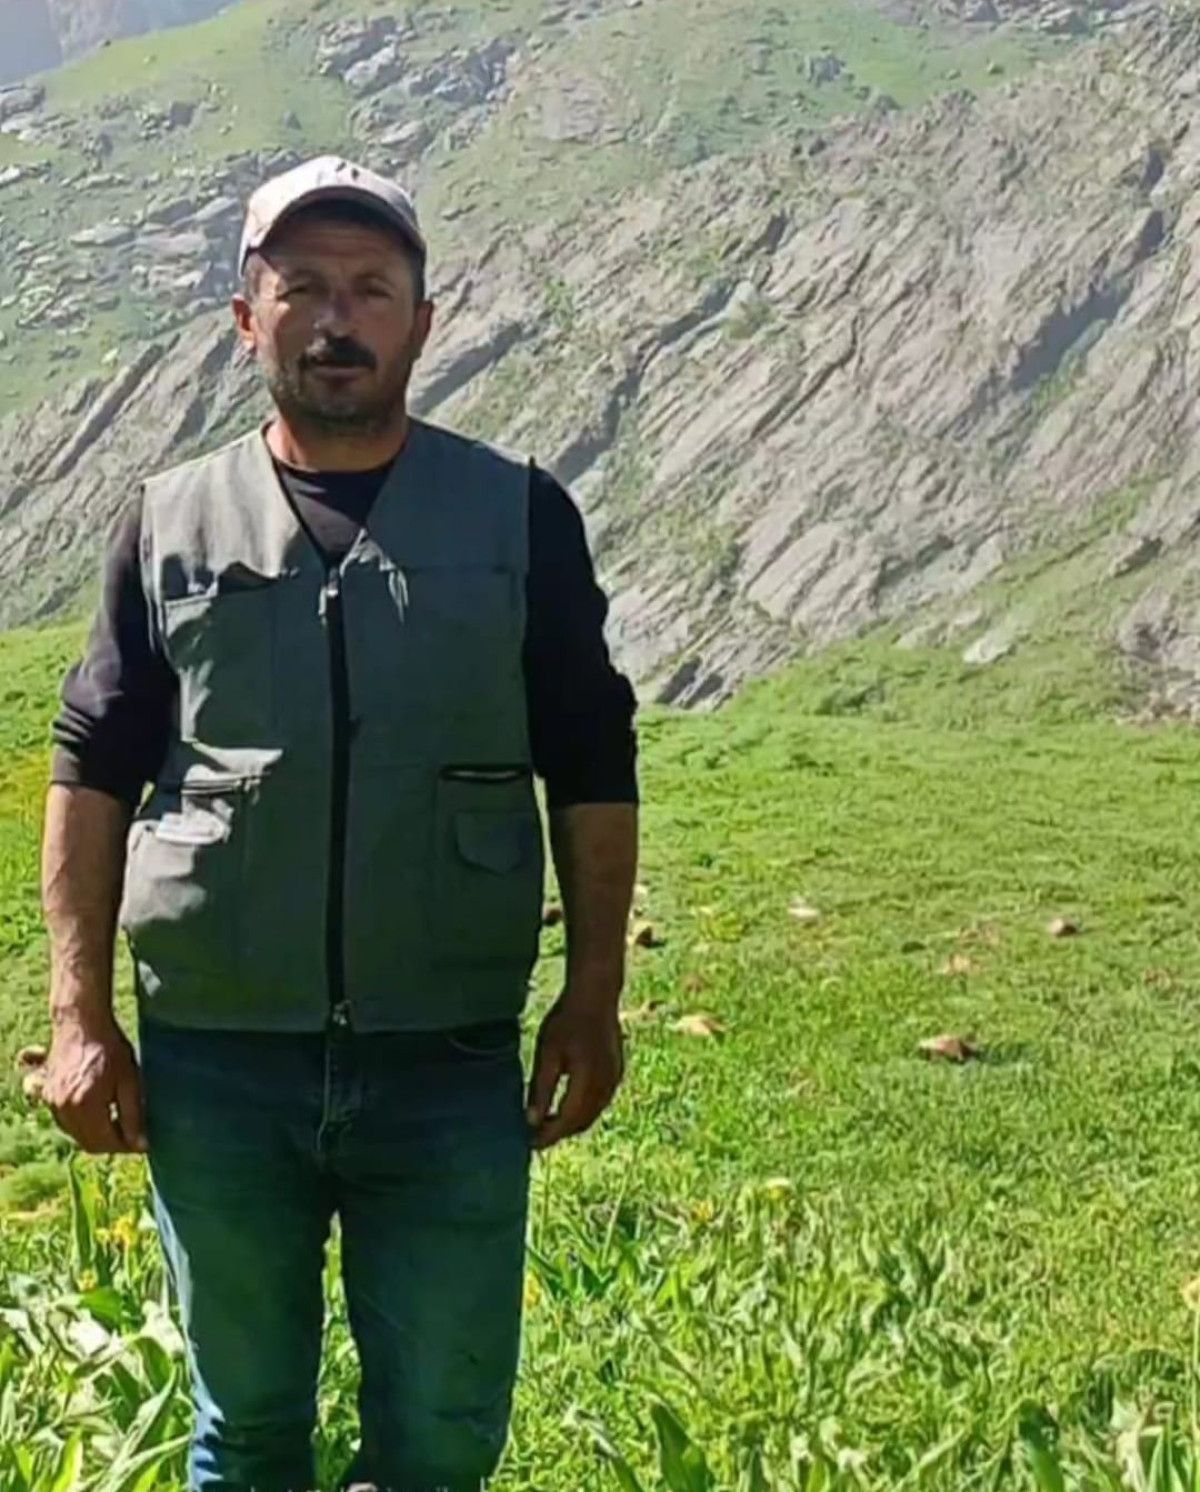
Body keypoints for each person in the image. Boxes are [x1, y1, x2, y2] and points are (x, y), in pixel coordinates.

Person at [39, 155, 640, 1492]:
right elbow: (92, 766)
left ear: (424, 321)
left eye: (371, 289)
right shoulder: (169, 522)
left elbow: (592, 759)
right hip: (218, 1064)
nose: (336, 320)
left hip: (446, 1057)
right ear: (244, 318)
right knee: (245, 1432)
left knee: (441, 1439)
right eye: (301, 287)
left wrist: (593, 994)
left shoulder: (519, 517)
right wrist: (80, 1016)